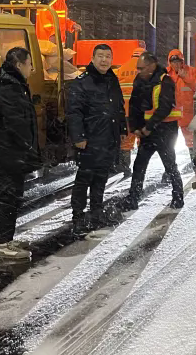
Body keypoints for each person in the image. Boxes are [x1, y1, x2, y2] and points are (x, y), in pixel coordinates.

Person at [0, 46, 40, 260]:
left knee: (12, 198)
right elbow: (16, 124)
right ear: (19, 65)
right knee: (8, 199)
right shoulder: (8, 90)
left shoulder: (14, 86)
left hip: (11, 155)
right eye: (29, 64)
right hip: (8, 156)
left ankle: (7, 239)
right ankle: (2, 244)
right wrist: (27, 146)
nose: (32, 68)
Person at [67, 43, 127, 231]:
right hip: (90, 140)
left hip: (108, 137)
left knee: (101, 177)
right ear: (92, 58)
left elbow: (118, 107)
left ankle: (96, 213)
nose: (104, 60)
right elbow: (74, 113)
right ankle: (78, 217)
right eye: (100, 56)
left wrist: (122, 130)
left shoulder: (112, 80)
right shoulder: (82, 82)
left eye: (108, 56)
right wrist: (79, 137)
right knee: (84, 179)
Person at [125, 52, 184, 210]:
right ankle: (133, 199)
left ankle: (178, 197)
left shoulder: (165, 81)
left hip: (165, 131)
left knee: (170, 165)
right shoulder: (140, 80)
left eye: (141, 68)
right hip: (148, 132)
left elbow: (165, 107)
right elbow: (134, 105)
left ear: (152, 66)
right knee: (139, 165)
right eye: (137, 68)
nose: (138, 71)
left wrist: (148, 127)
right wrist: (136, 128)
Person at [167, 49, 196, 149]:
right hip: (171, 116)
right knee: (169, 145)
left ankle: (195, 163)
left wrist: (186, 78)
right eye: (173, 62)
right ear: (170, 62)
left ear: (182, 62)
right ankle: (171, 165)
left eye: (178, 62)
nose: (176, 65)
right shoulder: (165, 74)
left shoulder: (192, 72)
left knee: (192, 144)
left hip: (188, 115)